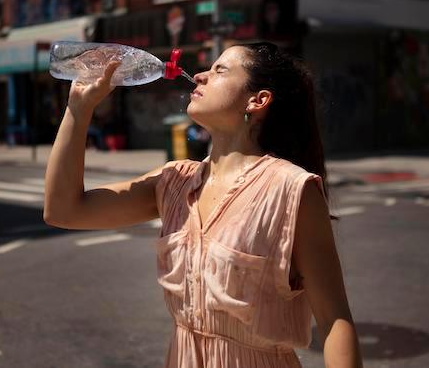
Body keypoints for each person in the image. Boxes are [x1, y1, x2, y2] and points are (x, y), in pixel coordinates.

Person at [43, 42, 363, 368]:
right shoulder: (173, 182)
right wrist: (78, 111)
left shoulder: (292, 189)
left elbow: (334, 319)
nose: (199, 76)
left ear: (258, 100)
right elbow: (63, 211)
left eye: (219, 70)